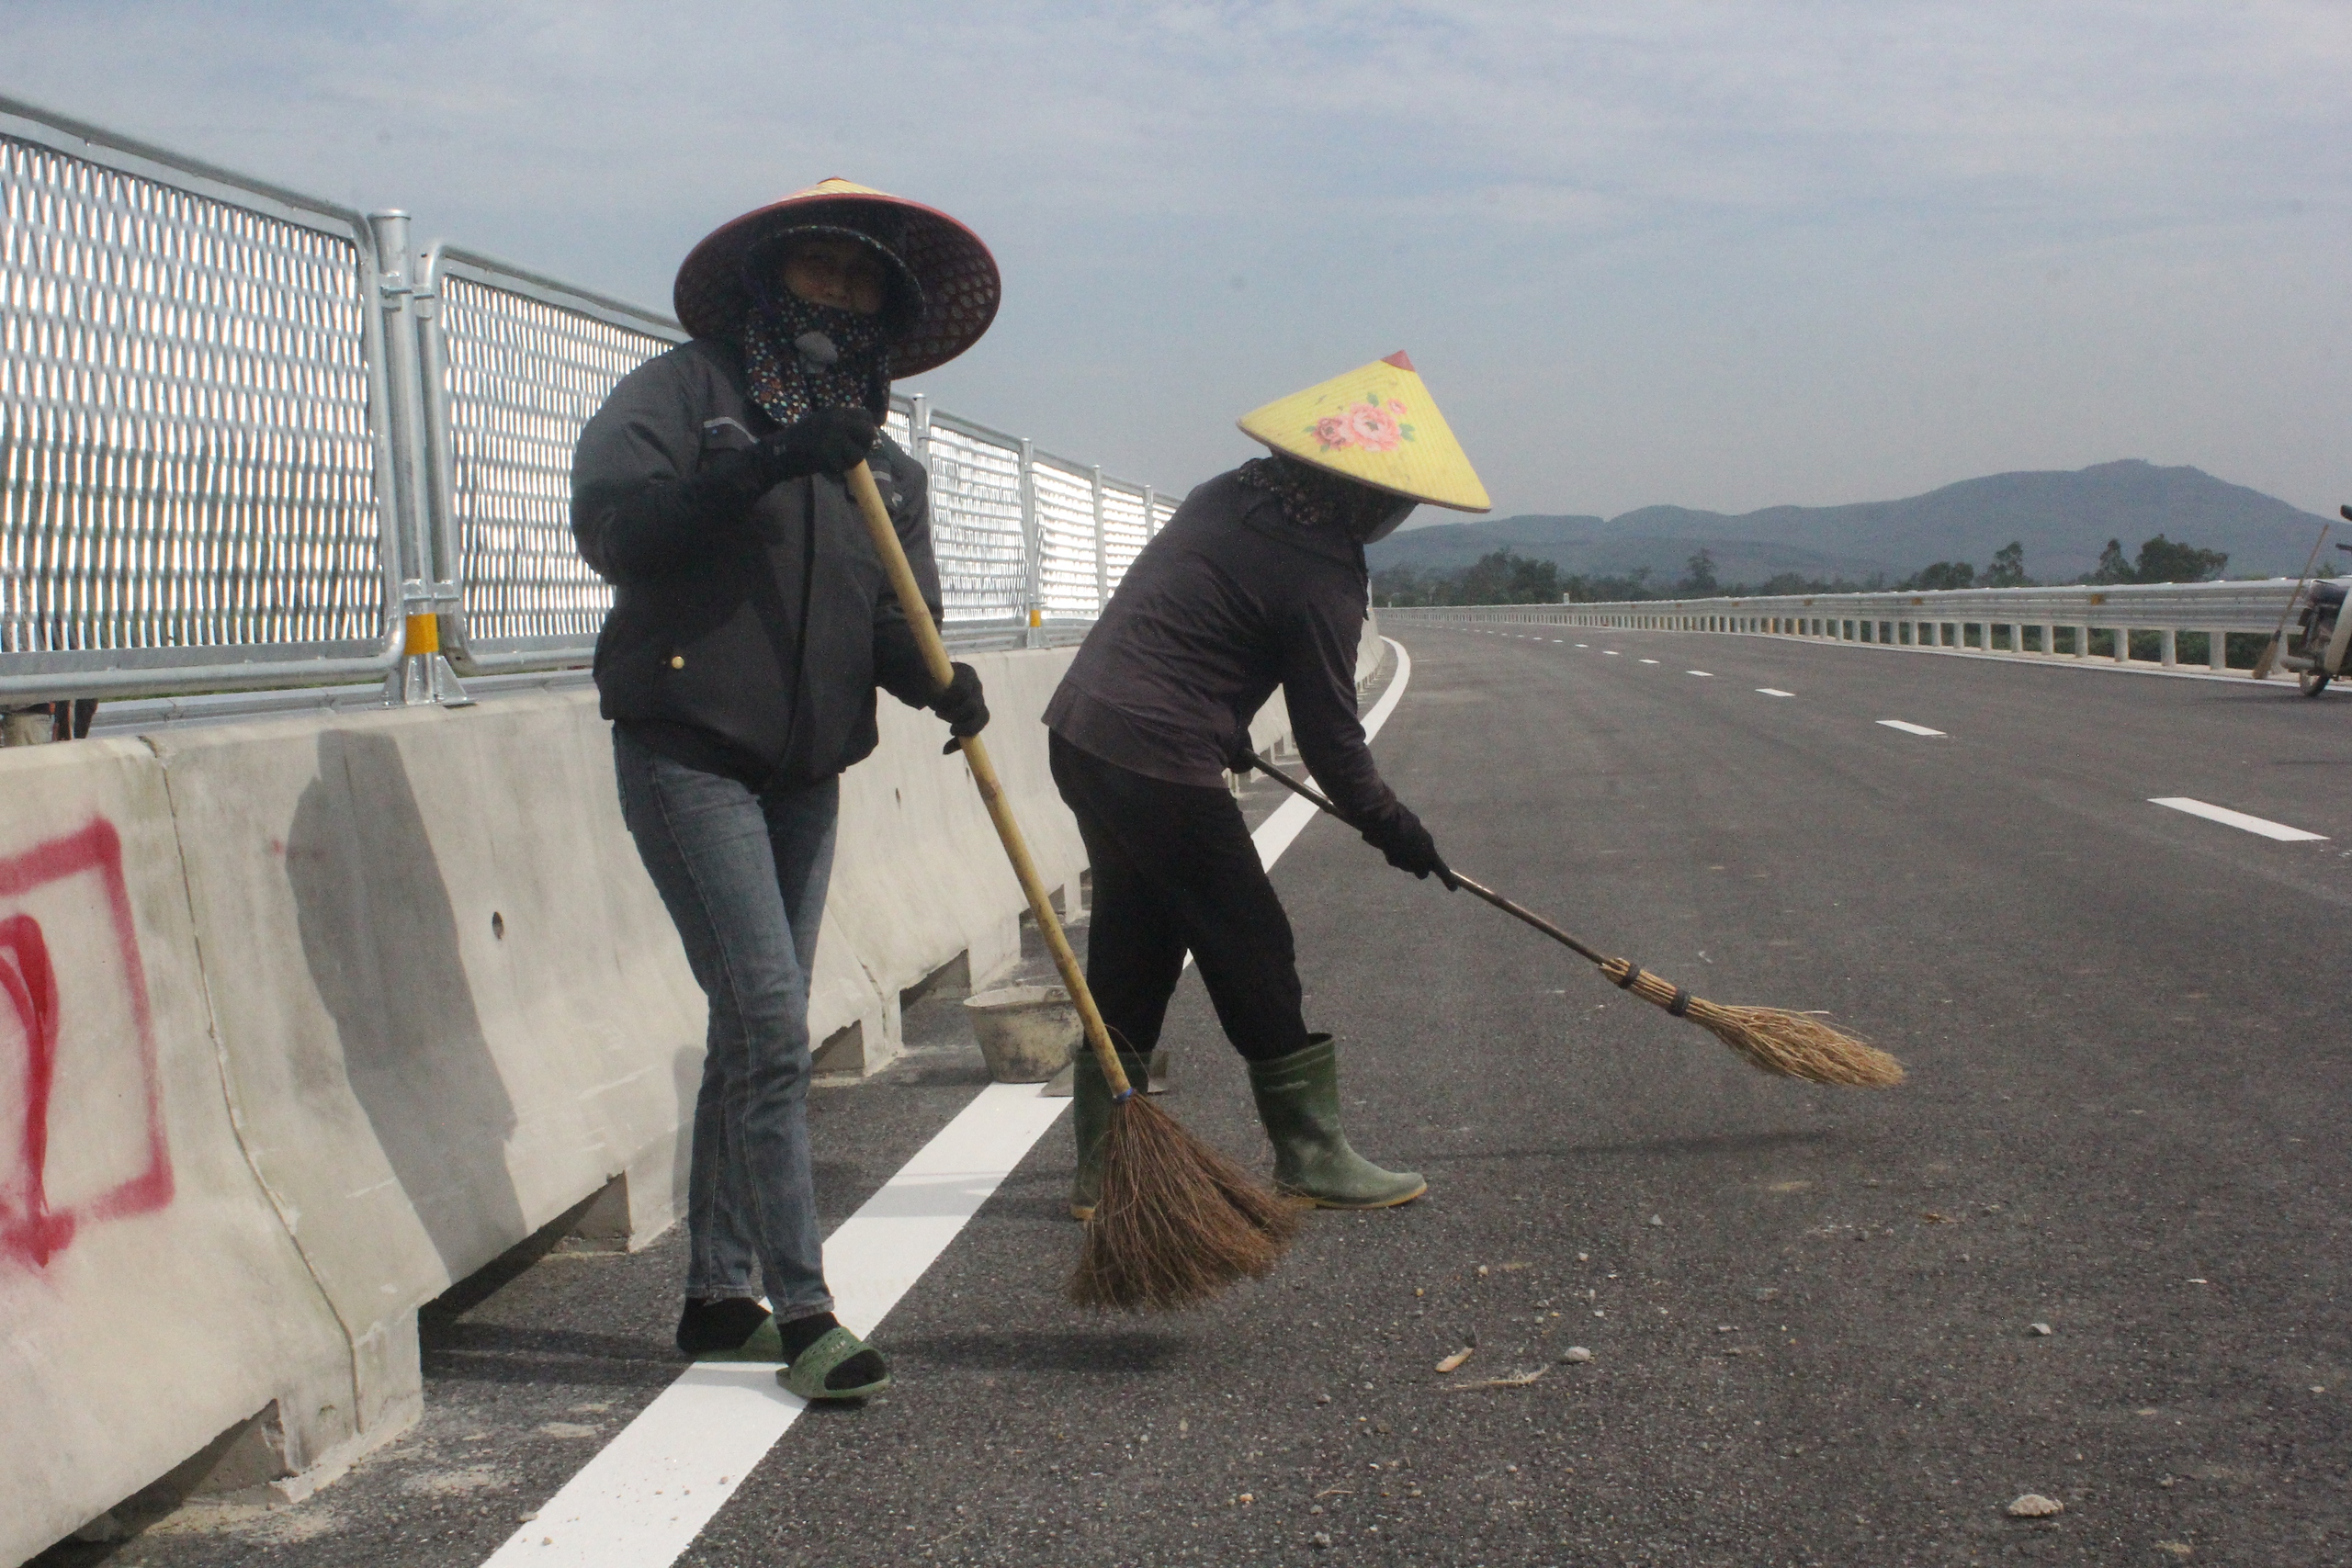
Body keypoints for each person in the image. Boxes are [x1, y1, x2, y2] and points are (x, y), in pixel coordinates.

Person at [571, 178, 1000, 1401]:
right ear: (769, 283)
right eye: (820, 269)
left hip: (807, 770)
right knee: (769, 1021)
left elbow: (892, 622)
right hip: (688, 749)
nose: (840, 296)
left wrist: (941, 682)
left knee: (752, 1026)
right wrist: (760, 465)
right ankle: (804, 1308)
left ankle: (718, 1298)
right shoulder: (684, 395)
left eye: (862, 280)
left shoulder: (886, 469)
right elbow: (614, 530)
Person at [1043, 352, 1492, 1220]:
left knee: (1136, 941)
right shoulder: (1324, 570)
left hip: (1085, 732)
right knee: (1250, 941)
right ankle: (1310, 1154)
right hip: (1157, 759)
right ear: (1368, 493)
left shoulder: (1227, 493)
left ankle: (1104, 1166)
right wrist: (1393, 826)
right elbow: (1331, 739)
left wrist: (1224, 719)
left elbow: (1189, 619)